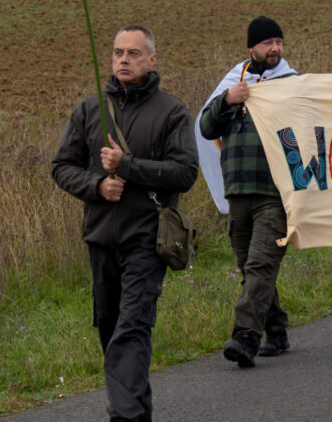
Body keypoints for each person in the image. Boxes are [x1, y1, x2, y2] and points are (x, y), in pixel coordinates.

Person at [51, 25, 199, 422]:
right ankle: (136, 412)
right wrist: (97, 185)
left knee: (132, 330)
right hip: (100, 239)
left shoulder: (172, 112)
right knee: (110, 329)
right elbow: (61, 167)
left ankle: (125, 417)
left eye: (134, 53)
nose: (124, 60)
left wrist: (127, 166)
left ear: (151, 60)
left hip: (147, 243)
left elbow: (186, 173)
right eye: (118, 52)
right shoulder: (89, 109)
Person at [200, 16, 299, 367]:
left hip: (275, 193)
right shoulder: (235, 81)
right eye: (268, 43)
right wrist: (227, 100)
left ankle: (245, 337)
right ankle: (277, 330)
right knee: (248, 267)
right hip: (238, 191)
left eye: (279, 42)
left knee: (260, 265)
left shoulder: (291, 84)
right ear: (252, 48)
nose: (275, 49)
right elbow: (205, 127)